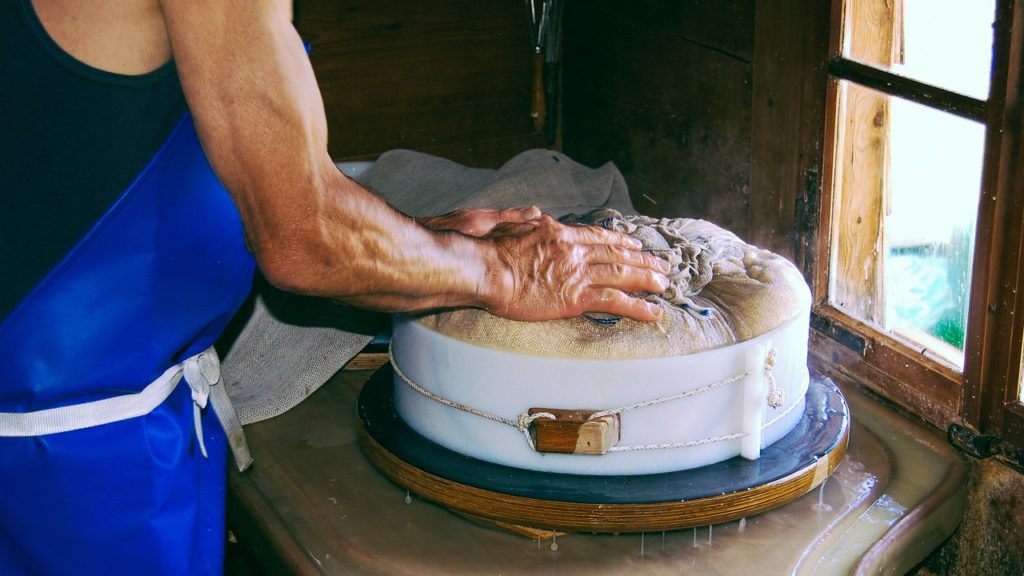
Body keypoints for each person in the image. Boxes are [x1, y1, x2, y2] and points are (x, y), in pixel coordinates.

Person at [0, 0, 668, 573]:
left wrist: (429, 244)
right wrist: (506, 270)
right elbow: (302, 237)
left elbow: (73, 160)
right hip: (64, 476)